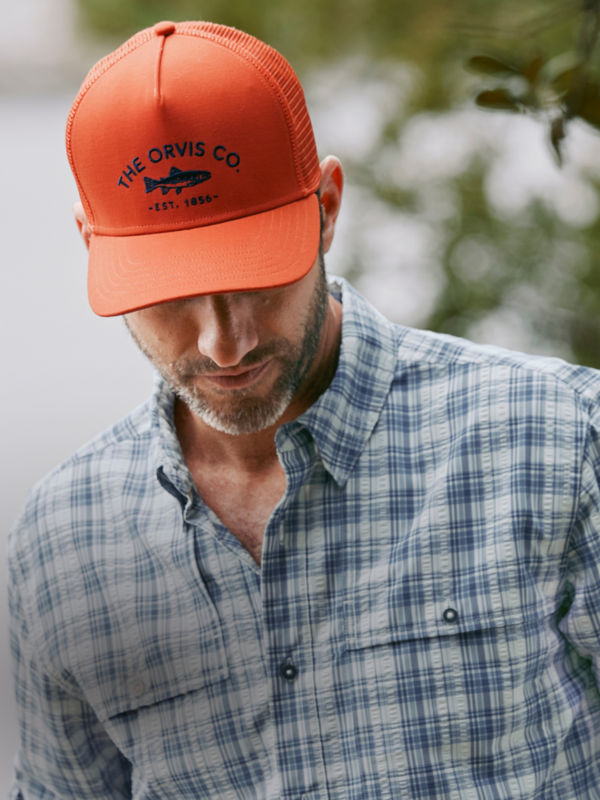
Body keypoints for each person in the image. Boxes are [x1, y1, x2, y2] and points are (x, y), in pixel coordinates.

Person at [7, 19, 600, 800]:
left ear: (325, 207)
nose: (224, 344)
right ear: (94, 247)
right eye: (170, 296)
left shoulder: (559, 442)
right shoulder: (62, 544)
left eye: (256, 278)